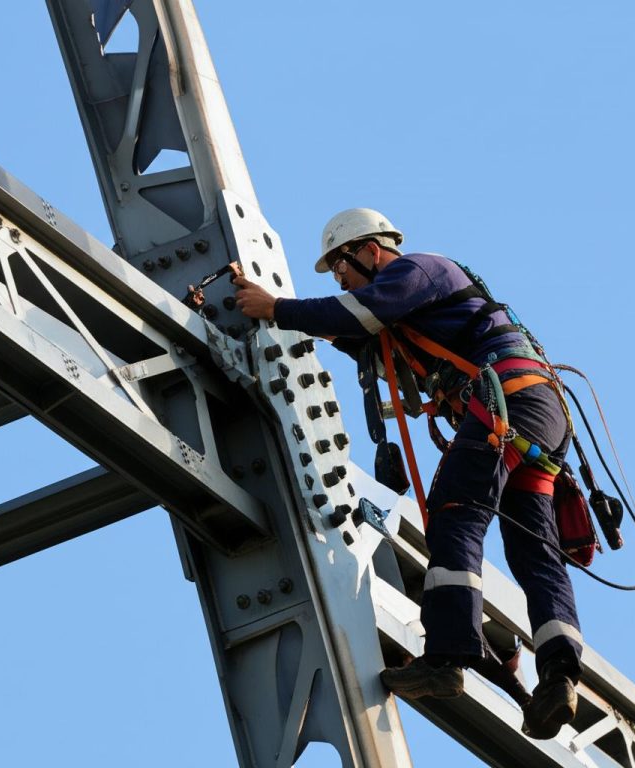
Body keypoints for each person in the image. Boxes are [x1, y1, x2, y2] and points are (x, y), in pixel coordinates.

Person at [234, 207, 582, 740]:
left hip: (507, 403)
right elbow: (352, 331)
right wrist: (262, 304)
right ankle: (559, 677)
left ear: (372, 250)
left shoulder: (418, 270)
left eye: (342, 268)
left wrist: (275, 306)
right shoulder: (413, 303)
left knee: (454, 511)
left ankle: (446, 658)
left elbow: (355, 315)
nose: (340, 280)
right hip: (534, 413)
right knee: (532, 549)